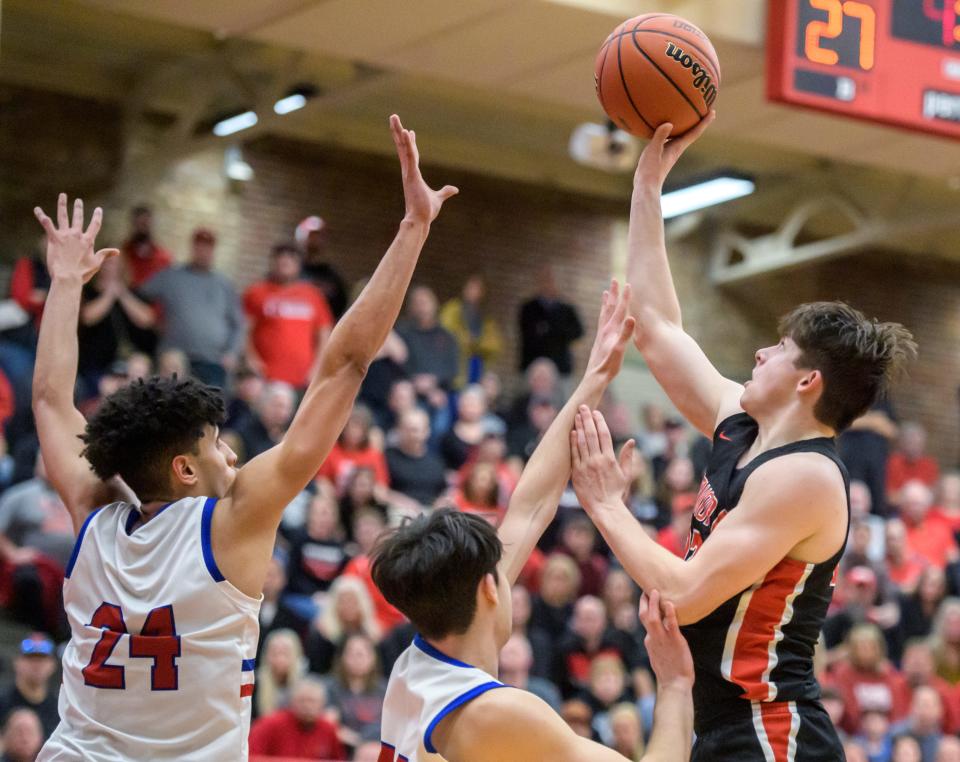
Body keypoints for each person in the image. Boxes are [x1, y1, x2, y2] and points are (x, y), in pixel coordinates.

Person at [31, 114, 457, 761]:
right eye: (215, 444)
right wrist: (413, 229)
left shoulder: (93, 518)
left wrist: (65, 283)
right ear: (183, 470)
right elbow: (345, 364)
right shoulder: (232, 523)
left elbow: (48, 399)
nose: (231, 452)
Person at [567, 115, 917, 762]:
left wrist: (607, 506)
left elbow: (682, 593)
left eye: (778, 349)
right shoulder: (743, 420)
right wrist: (648, 188)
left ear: (808, 379)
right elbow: (656, 326)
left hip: (770, 733)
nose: (759, 353)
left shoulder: (806, 478)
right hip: (725, 727)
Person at [372, 283, 695, 761]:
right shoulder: (495, 713)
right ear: (488, 589)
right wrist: (674, 685)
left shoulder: (417, 662)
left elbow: (530, 505)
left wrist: (595, 377)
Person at [139, 227, 244, 388]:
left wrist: (232, 353)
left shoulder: (224, 284)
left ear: (213, 250)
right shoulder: (170, 276)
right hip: (175, 359)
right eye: (199, 246)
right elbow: (140, 295)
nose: (203, 251)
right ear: (192, 248)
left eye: (207, 247)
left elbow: (237, 324)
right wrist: (152, 320)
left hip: (212, 361)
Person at [243, 242, 334, 388]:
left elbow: (324, 333)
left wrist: (317, 368)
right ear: (273, 262)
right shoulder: (256, 292)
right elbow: (244, 330)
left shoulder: (313, 295)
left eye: (291, 258)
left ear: (299, 264)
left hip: (303, 379)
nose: (285, 261)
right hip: (266, 377)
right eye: (280, 257)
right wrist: (251, 360)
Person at [248, 677, 346, 760]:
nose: (307, 706)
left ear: (322, 704)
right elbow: (250, 757)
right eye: (302, 701)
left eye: (312, 701)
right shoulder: (270, 724)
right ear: (292, 702)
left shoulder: (328, 729)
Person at [518, 265, 584, 381]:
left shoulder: (567, 309)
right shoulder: (529, 308)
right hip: (533, 365)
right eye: (545, 280)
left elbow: (578, 332)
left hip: (560, 367)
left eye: (551, 280)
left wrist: (553, 331)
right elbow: (526, 333)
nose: (548, 284)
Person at [439, 275, 503, 388]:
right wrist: (464, 339)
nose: (472, 291)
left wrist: (476, 343)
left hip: (475, 364)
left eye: (477, 288)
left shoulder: (485, 317)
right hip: (454, 361)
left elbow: (495, 344)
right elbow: (444, 330)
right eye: (470, 287)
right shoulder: (453, 308)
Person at [0, 634, 60, 740]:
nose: (36, 665)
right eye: (30, 658)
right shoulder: (3, 701)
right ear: (17, 662)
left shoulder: (59, 708)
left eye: (42, 659)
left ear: (52, 664)